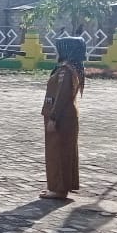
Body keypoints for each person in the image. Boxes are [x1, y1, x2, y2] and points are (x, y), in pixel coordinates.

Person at [40, 36, 86, 199]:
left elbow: (62, 96)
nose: (56, 51)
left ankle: (59, 189)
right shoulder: (69, 68)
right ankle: (60, 186)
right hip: (65, 115)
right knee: (64, 151)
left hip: (61, 116)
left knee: (58, 152)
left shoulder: (66, 71)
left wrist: (53, 118)